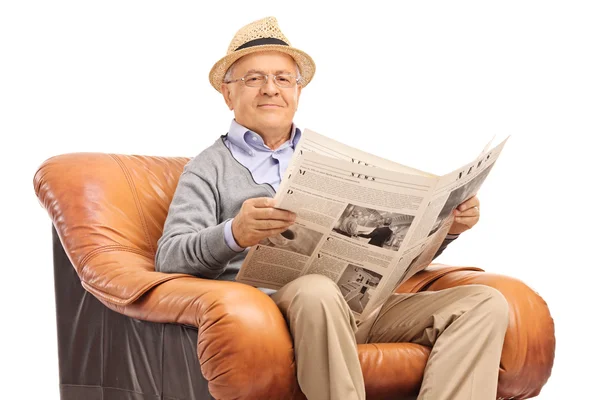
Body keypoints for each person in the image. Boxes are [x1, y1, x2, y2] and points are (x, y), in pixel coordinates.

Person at [155, 16, 508, 400]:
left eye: (283, 78)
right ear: (228, 94)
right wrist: (233, 233)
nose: (270, 89)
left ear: (298, 90)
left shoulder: (332, 160)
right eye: (253, 79)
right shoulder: (208, 167)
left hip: (358, 307)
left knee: (483, 302)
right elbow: (169, 258)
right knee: (316, 291)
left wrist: (448, 228)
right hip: (282, 313)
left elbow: (397, 258)